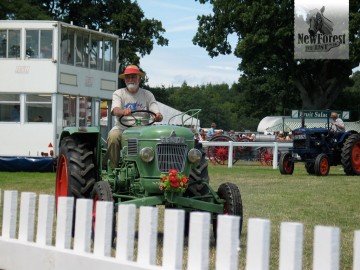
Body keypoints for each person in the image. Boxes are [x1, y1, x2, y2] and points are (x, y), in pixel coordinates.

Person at [105, 65, 163, 169]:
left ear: (139, 79)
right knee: (113, 136)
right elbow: (115, 110)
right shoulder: (119, 93)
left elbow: (156, 111)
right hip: (122, 128)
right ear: (125, 80)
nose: (130, 79)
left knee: (159, 139)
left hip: (144, 130)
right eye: (128, 77)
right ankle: (113, 169)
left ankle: (155, 169)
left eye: (133, 77)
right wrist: (123, 111)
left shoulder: (147, 94)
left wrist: (158, 116)